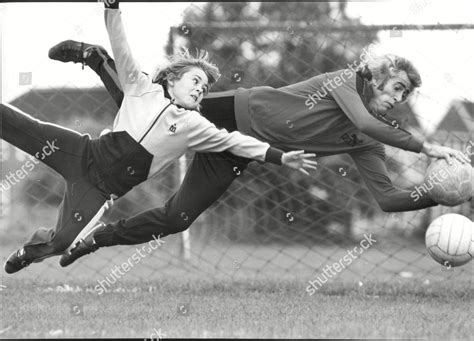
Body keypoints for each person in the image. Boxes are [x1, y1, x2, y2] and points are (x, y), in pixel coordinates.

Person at [48, 3, 471, 268]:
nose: (399, 99)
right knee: (142, 103)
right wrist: (425, 146)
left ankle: (101, 237)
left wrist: (439, 193)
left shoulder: (369, 141)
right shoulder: (346, 81)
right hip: (234, 109)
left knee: (178, 217)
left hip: (243, 148)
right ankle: (97, 56)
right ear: (377, 77)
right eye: (397, 88)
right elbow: (363, 121)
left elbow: (387, 198)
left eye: (406, 95)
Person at [1, 1, 317, 274]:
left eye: (204, 89)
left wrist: (278, 155)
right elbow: (122, 49)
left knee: (61, 242)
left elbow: (235, 142)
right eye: (195, 81)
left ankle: (27, 252)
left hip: (98, 189)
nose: (199, 89)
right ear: (172, 78)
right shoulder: (142, 88)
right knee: (17, 124)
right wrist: (112, 9)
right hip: (81, 153)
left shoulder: (195, 125)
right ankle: (94, 57)